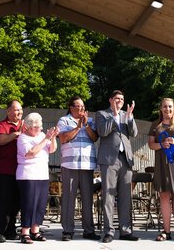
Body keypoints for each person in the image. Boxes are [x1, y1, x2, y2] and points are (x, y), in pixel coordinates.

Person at [95, 90, 139, 243]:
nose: (119, 101)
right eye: (117, 99)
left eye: (122, 99)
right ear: (110, 100)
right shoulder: (102, 114)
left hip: (125, 159)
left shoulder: (126, 114)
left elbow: (134, 133)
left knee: (126, 196)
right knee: (108, 196)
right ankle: (109, 231)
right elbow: (102, 131)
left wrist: (130, 117)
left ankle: (125, 231)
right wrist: (114, 115)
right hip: (109, 159)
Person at [148, 98, 174, 242]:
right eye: (165, 107)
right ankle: (166, 231)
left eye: (170, 107)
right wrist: (162, 144)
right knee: (164, 196)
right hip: (162, 164)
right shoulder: (155, 124)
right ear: (161, 109)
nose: (168, 109)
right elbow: (151, 145)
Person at [57, 97, 100, 241]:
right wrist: (77, 127)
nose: (81, 109)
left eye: (83, 107)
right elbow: (63, 138)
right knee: (69, 198)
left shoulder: (91, 121)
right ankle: (68, 230)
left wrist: (86, 125)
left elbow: (94, 138)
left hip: (87, 165)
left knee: (88, 198)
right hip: (70, 164)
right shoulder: (64, 120)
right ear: (71, 107)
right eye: (78, 106)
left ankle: (89, 230)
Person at [16, 113, 58, 243]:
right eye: (37, 127)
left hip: (42, 174)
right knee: (28, 204)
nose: (40, 129)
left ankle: (35, 230)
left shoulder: (41, 136)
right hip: (28, 174)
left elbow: (52, 150)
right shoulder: (23, 138)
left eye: (40, 126)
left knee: (40, 204)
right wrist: (46, 138)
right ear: (29, 127)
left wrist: (53, 138)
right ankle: (25, 232)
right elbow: (30, 153)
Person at [0, 100, 23, 243]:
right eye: (16, 110)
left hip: (21, 170)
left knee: (16, 202)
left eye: (20, 110)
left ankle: (11, 229)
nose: (19, 113)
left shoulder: (25, 125)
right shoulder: (1, 125)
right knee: (2, 201)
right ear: (8, 111)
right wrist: (17, 134)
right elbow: (1, 140)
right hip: (3, 169)